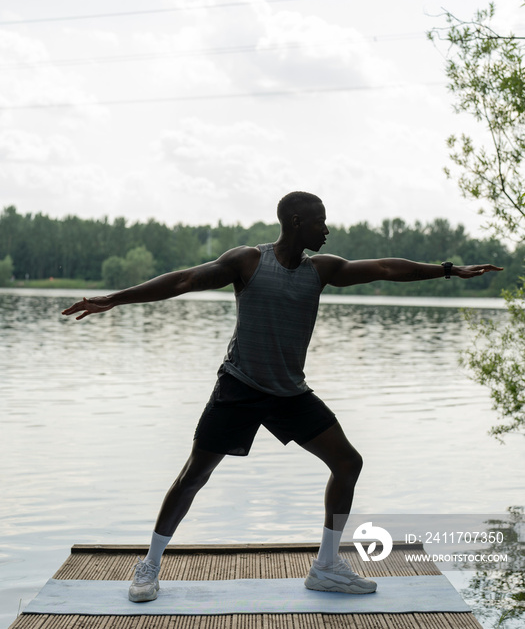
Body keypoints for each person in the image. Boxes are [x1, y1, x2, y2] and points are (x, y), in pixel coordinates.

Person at [62, 191, 503, 603]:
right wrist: (114, 299)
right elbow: (184, 280)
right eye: (320, 222)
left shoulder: (321, 269)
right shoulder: (248, 262)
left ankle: (326, 567)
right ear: (296, 222)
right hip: (239, 386)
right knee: (194, 475)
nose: (327, 230)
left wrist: (448, 269)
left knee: (348, 462)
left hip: (289, 392)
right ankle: (149, 567)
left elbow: (386, 268)